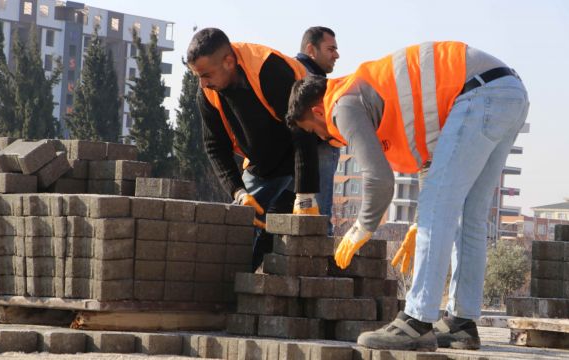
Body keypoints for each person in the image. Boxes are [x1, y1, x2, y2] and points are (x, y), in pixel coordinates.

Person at [286, 41, 529, 351]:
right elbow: (432, 164)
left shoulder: (341, 103)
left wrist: (361, 228)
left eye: (317, 130)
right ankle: (461, 324)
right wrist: (419, 222)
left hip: (479, 92)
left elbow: (379, 178)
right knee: (470, 215)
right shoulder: (376, 97)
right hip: (507, 92)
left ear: (317, 110)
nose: (327, 137)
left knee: (442, 209)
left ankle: (416, 320)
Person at [186, 28, 321, 271]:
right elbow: (215, 146)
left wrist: (306, 194)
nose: (202, 83)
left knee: (288, 234)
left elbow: (303, 129)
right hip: (262, 160)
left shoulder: (269, 69)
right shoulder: (207, 92)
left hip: (308, 148)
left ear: (229, 61)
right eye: (198, 76)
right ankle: (236, 292)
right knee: (240, 228)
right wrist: (238, 192)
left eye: (206, 74)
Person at [295, 26, 341, 235]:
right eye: (331, 49)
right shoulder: (311, 80)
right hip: (318, 153)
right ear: (311, 49)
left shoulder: (295, 71)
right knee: (318, 225)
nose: (337, 55)